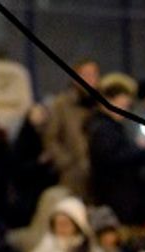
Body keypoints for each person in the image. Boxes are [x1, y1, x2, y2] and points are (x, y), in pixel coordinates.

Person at [89, 73, 145, 227]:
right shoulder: (103, 128)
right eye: (122, 105)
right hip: (116, 198)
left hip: (124, 196)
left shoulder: (114, 127)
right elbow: (110, 160)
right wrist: (138, 148)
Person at [43, 58, 100, 198]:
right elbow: (50, 138)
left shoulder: (101, 105)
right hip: (73, 175)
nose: (91, 79)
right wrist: (65, 163)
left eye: (94, 75)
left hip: (99, 175)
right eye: (86, 75)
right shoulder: (62, 105)